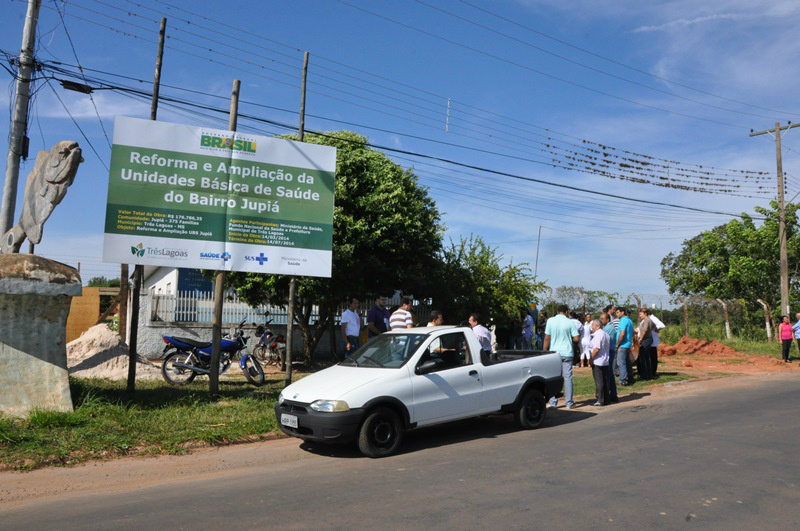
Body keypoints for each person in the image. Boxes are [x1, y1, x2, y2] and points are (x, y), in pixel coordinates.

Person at [544, 305, 580, 409]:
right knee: (568, 378)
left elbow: (547, 338)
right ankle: (569, 402)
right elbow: (576, 338)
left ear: (558, 311)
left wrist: (544, 351)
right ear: (566, 311)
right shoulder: (570, 322)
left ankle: (553, 402)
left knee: (553, 377)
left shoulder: (550, 321)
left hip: (554, 353)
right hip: (567, 352)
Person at [589, 319, 610, 406]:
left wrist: (590, 359)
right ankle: (606, 398)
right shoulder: (606, 334)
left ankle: (600, 399)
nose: (592, 327)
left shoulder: (598, 335)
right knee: (604, 380)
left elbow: (596, 349)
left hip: (598, 361)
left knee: (599, 381)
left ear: (598, 326)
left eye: (593, 325)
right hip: (605, 360)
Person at [600, 312, 619, 403]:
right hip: (610, 351)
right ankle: (612, 395)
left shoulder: (608, 328)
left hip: (609, 351)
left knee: (609, 373)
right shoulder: (608, 327)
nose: (601, 320)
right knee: (609, 373)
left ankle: (611, 395)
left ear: (607, 319)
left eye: (602, 319)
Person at [615, 307, 635, 386]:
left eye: (617, 312)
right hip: (628, 344)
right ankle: (630, 378)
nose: (617, 314)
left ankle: (622, 380)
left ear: (622, 312)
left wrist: (618, 343)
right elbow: (632, 333)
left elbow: (622, 333)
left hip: (622, 345)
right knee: (627, 363)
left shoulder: (623, 321)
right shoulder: (630, 321)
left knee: (621, 363)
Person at [647, 308, 666, 377]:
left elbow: (662, 325)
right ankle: (651, 371)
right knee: (651, 357)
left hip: (653, 340)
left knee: (653, 357)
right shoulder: (649, 319)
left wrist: (654, 329)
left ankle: (653, 371)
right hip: (651, 340)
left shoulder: (653, 318)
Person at [637, 308, 654, 380]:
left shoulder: (647, 320)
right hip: (647, 339)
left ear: (645, 313)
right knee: (646, 357)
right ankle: (648, 375)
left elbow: (645, 330)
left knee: (643, 358)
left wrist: (640, 339)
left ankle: (645, 375)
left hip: (646, 340)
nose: (640, 316)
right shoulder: (648, 320)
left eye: (641, 314)